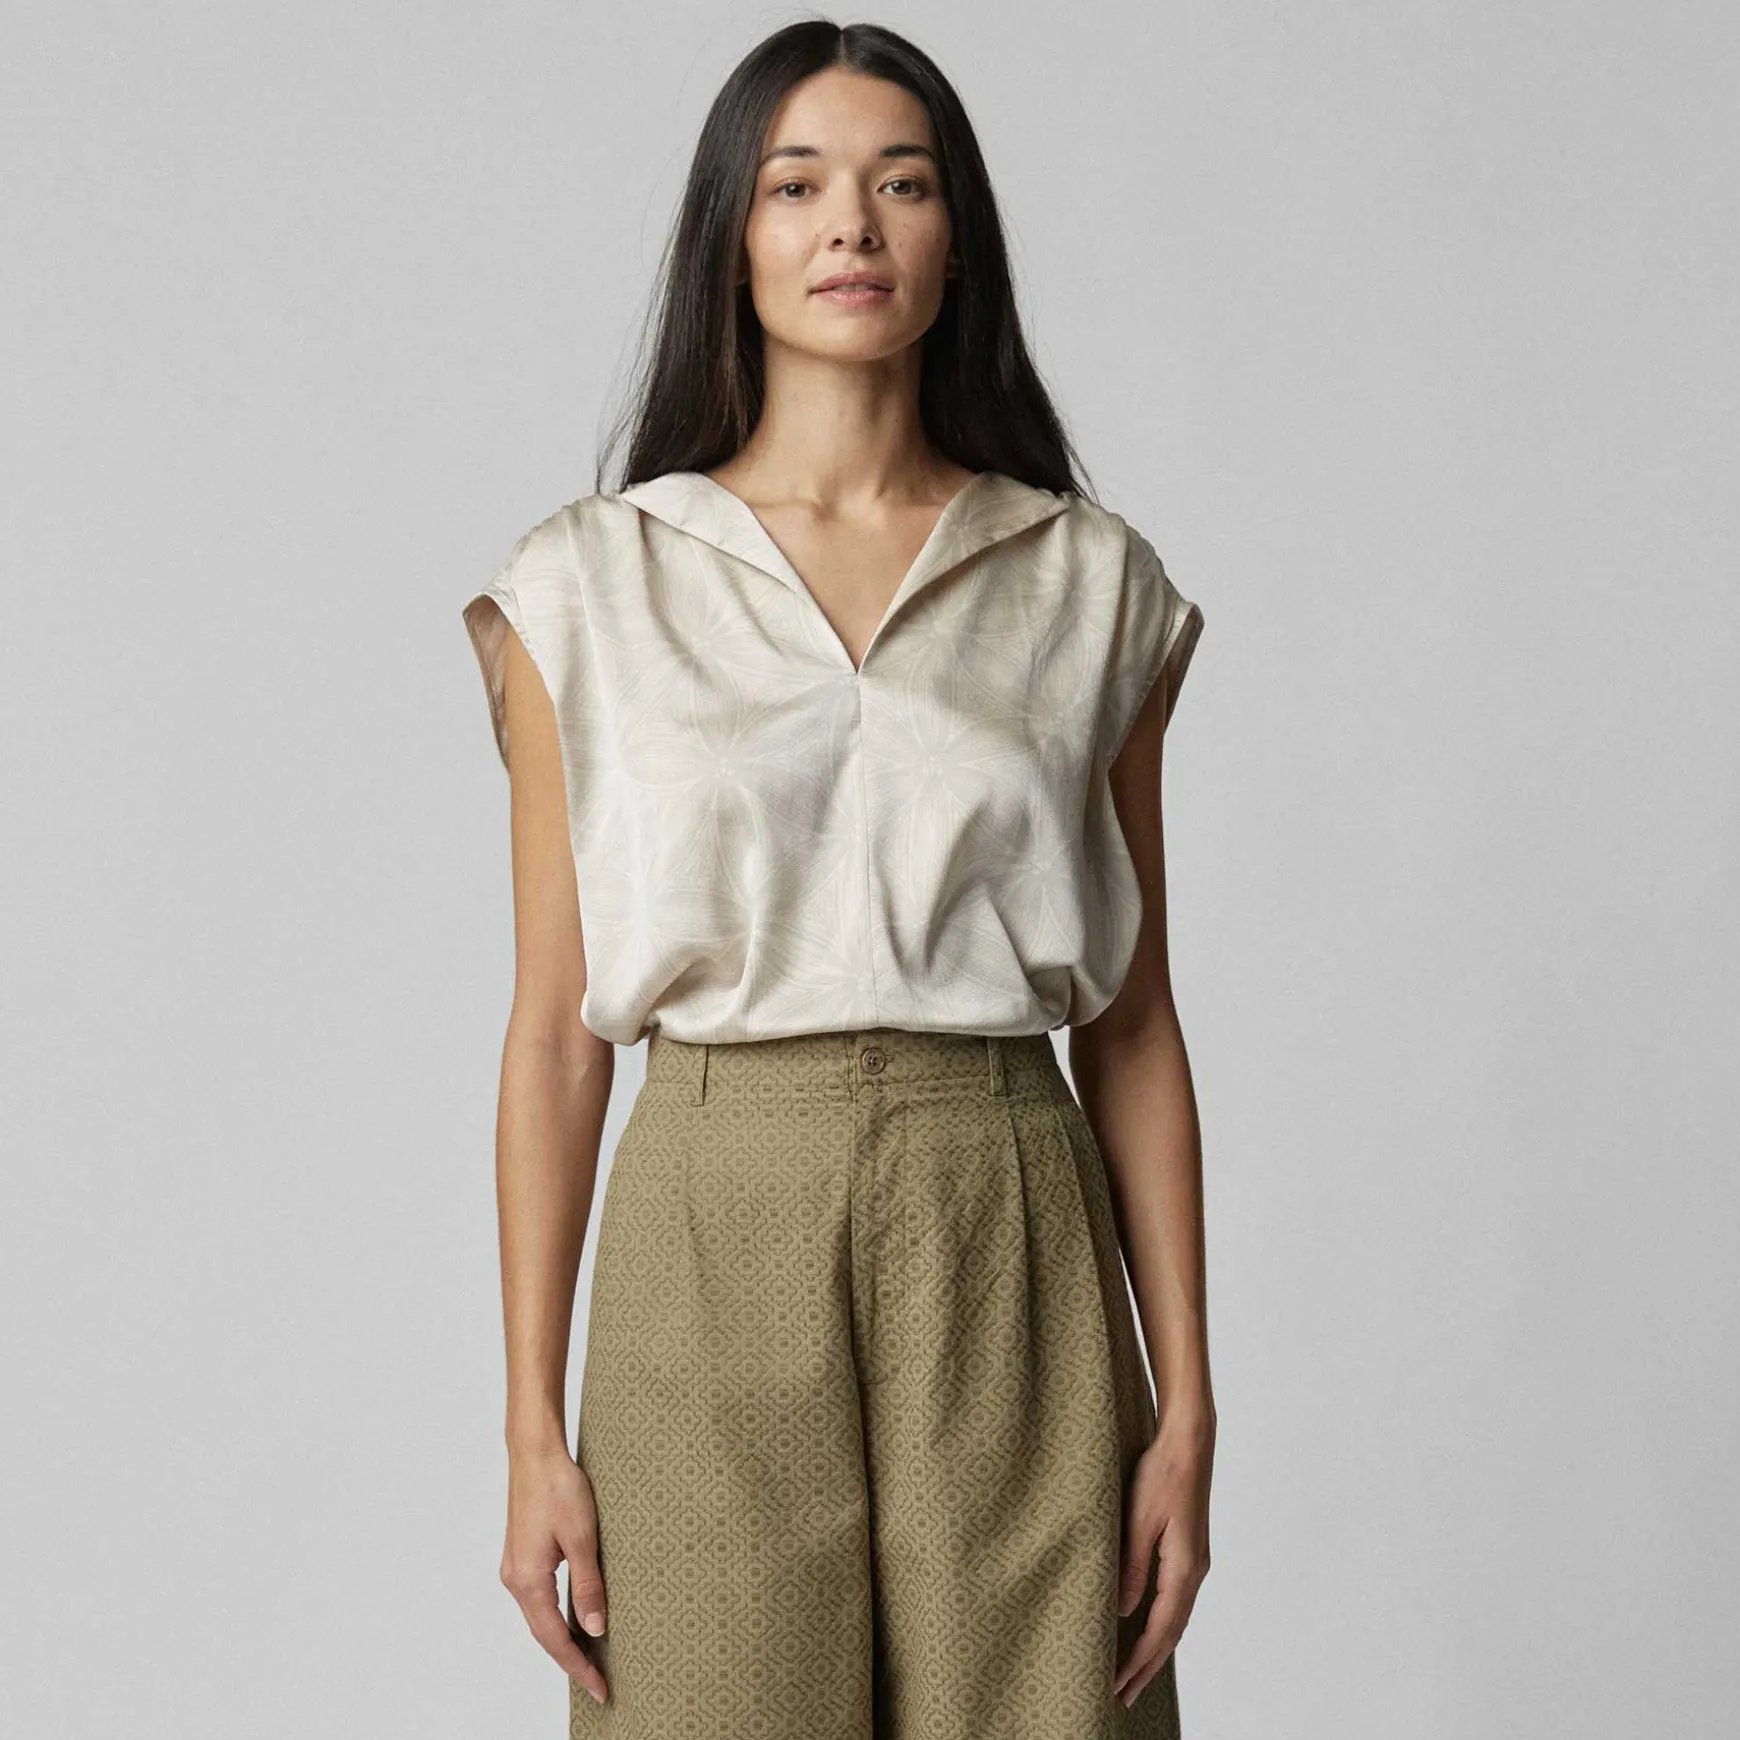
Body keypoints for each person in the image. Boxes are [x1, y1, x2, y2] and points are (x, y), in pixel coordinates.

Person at [460, 19, 1213, 1738]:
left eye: (902, 184)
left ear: (958, 239)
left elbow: (1136, 1025)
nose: (851, 226)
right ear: (732, 235)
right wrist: (528, 1429)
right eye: (796, 185)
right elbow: (557, 1035)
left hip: (1004, 1201)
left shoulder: (1085, 582)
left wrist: (1188, 1414)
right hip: (710, 1205)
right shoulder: (590, 585)